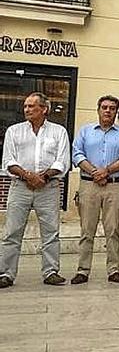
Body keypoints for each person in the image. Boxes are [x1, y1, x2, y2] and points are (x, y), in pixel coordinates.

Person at [0, 93, 70, 288]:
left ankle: (51, 272)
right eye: (25, 106)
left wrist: (43, 177)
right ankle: (6, 273)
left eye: (31, 106)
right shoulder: (14, 131)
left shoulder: (58, 132)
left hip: (49, 188)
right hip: (20, 187)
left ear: (44, 109)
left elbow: (62, 161)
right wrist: (27, 176)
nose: (27, 110)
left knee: (51, 232)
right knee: (12, 232)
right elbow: (8, 161)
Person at [70, 95, 119, 285]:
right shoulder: (85, 131)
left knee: (113, 230)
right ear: (98, 110)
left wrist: (106, 171)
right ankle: (83, 270)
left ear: (116, 111)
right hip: (89, 185)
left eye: (112, 108)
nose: (108, 111)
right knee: (86, 230)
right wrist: (94, 172)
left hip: (114, 185)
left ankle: (114, 270)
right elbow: (77, 154)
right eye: (104, 107)